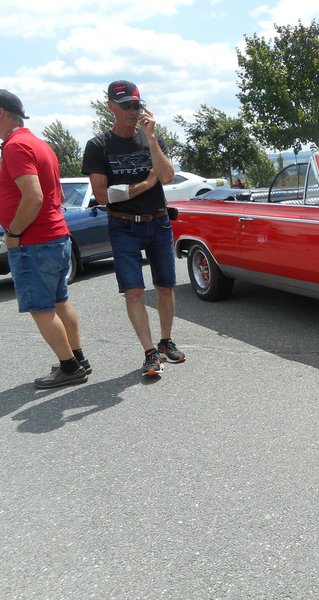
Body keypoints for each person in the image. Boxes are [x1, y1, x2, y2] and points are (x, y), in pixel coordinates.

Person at [82, 80, 185, 377]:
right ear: (111, 106)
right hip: (124, 226)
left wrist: (151, 139)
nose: (131, 110)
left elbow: (166, 177)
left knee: (165, 285)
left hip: (159, 221)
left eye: (136, 104)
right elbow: (103, 195)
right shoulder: (99, 145)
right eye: (125, 104)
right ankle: (149, 352)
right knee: (134, 292)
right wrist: (144, 184)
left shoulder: (152, 139)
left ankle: (166, 342)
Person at [0, 90, 90, 389]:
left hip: (33, 241)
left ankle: (69, 367)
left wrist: (13, 234)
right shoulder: (39, 143)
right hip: (56, 235)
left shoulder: (14, 147)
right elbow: (57, 194)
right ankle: (78, 359)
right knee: (60, 300)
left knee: (41, 307)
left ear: (2, 113)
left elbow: (34, 196)